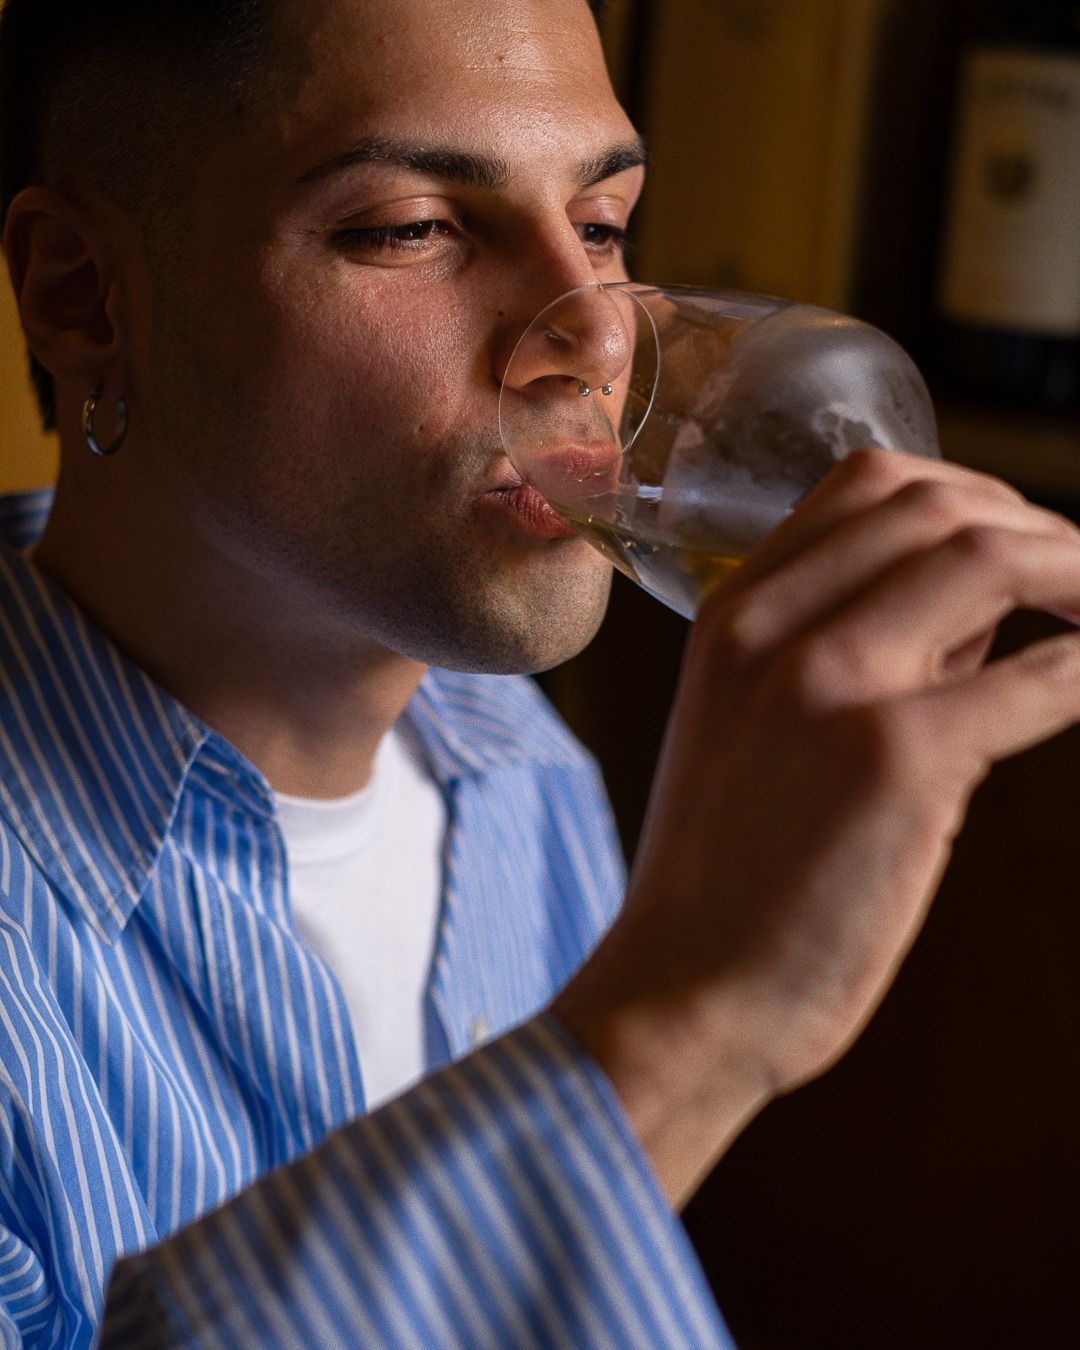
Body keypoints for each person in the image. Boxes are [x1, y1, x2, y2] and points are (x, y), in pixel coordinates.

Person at [3, 0, 1080, 1345]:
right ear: (81, 294)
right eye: (413, 227)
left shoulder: (523, 774)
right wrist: (686, 1029)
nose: (596, 333)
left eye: (604, 225)